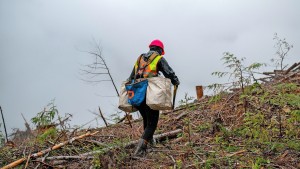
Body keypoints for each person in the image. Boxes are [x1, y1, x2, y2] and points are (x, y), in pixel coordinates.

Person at [128, 39, 180, 157]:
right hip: (150, 93)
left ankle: (149, 144)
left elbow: (131, 76)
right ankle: (139, 151)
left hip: (137, 93)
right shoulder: (158, 58)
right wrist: (176, 81)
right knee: (152, 123)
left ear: (150, 47)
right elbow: (169, 73)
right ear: (160, 50)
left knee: (147, 119)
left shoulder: (140, 58)